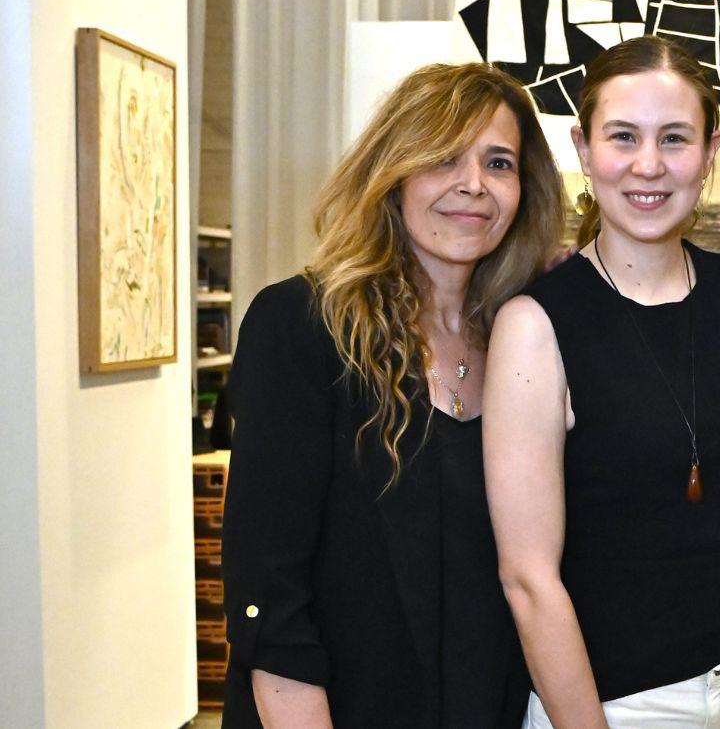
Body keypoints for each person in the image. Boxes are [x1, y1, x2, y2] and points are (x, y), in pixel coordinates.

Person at [221, 62, 563, 727]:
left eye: (499, 163)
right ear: (393, 173)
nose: (473, 185)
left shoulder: (524, 343)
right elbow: (271, 599)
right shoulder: (302, 326)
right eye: (443, 158)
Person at [482, 36, 720, 728]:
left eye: (676, 138)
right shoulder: (536, 325)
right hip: (620, 705)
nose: (649, 165)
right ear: (583, 147)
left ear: (710, 152)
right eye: (623, 137)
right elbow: (528, 578)